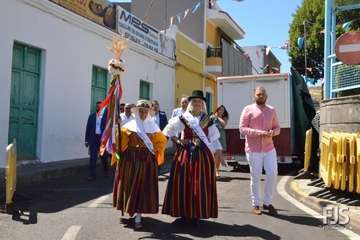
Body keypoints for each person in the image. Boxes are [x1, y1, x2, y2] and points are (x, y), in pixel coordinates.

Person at [162, 90, 219, 224]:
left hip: (203, 157)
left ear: (203, 104)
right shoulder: (183, 118)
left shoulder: (208, 119)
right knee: (184, 182)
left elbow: (214, 138)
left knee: (200, 184)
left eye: (199, 101)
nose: (197, 103)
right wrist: (178, 141)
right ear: (190, 103)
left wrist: (214, 154)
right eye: (194, 101)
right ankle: (184, 212)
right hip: (185, 154)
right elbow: (168, 131)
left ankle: (197, 213)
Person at [112, 100, 167, 229]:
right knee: (130, 187)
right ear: (137, 112)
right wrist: (118, 129)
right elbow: (120, 143)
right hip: (130, 161)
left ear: (148, 112)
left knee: (143, 188)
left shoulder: (153, 127)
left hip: (147, 162)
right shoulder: (128, 126)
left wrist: (154, 150)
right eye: (141, 111)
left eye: (145, 111)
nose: (143, 113)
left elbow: (162, 143)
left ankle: (138, 215)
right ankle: (131, 208)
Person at [239, 86, 280, 215]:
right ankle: (255, 204)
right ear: (254, 96)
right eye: (258, 94)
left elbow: (277, 127)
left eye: (262, 94)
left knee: (272, 173)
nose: (260, 96)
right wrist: (259, 133)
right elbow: (242, 128)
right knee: (255, 176)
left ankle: (267, 203)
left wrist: (273, 132)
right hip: (253, 149)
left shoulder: (271, 110)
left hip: (269, 148)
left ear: (266, 96)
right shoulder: (248, 109)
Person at [85, 101, 109, 181]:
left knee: (103, 157)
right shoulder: (91, 116)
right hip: (93, 139)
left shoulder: (106, 117)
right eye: (97, 106)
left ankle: (106, 171)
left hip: (102, 139)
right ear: (96, 107)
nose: (99, 108)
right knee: (93, 157)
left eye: (100, 107)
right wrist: (86, 140)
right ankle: (92, 175)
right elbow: (88, 128)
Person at [211, 105, 229, 177]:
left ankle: (217, 171)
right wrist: (213, 117)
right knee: (214, 154)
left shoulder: (225, 118)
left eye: (222, 110)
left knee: (218, 155)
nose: (221, 111)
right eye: (220, 109)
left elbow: (224, 125)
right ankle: (213, 170)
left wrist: (217, 117)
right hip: (213, 137)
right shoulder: (212, 117)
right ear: (217, 110)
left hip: (221, 137)